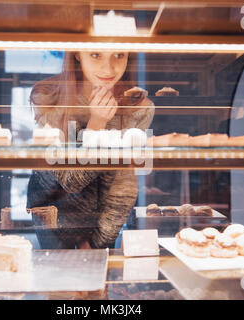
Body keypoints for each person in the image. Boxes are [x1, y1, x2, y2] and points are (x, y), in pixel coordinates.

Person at [27, 51, 154, 249]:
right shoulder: (48, 96)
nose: (108, 68)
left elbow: (124, 182)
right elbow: (71, 181)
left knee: (99, 273)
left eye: (119, 55)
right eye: (95, 55)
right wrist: (97, 124)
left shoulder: (138, 107)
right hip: (51, 211)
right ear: (78, 54)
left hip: (103, 216)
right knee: (55, 275)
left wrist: (99, 241)